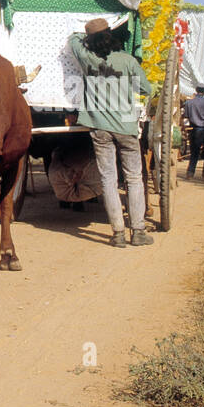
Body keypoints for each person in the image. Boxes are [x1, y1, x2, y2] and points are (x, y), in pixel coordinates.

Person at [66, 17, 152, 247]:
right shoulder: (128, 60)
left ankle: (118, 234)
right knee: (133, 178)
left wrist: (86, 37)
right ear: (111, 36)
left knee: (108, 179)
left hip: (99, 126)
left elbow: (72, 39)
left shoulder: (86, 58)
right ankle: (139, 231)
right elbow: (146, 89)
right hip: (126, 126)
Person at [184, 83, 204, 179]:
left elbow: (186, 116)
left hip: (195, 129)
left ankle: (190, 173)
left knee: (194, 152)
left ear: (196, 90)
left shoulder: (189, 103)